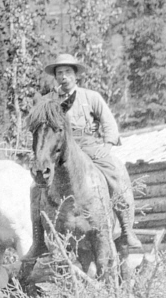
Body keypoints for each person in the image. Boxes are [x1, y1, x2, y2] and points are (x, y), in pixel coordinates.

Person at [42, 53, 141, 248]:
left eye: (68, 72)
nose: (64, 77)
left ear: (76, 75)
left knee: (114, 171)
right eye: (59, 73)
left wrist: (107, 146)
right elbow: (41, 128)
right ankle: (38, 240)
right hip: (59, 151)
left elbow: (109, 123)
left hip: (88, 146)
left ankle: (126, 229)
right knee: (36, 185)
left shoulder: (91, 97)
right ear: (55, 77)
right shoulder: (49, 102)